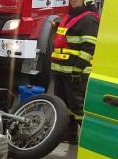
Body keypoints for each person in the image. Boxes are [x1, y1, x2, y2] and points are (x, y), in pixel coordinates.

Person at [51, 0, 99, 144]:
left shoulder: (89, 19)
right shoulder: (69, 16)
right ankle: (69, 135)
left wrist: (78, 70)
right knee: (64, 107)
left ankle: (91, 141)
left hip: (76, 73)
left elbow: (89, 47)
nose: (73, 0)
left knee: (78, 109)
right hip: (62, 70)